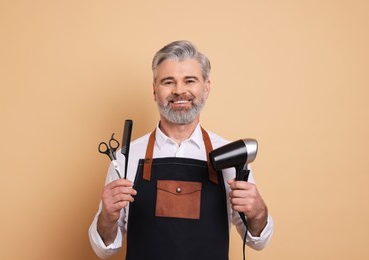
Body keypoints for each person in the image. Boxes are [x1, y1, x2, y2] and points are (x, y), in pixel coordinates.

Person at [89, 40, 274, 259]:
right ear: (155, 91)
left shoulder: (230, 156)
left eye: (190, 81)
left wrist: (258, 210)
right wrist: (107, 217)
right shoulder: (125, 158)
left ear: (206, 88)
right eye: (168, 82)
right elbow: (104, 249)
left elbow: (258, 240)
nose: (179, 91)